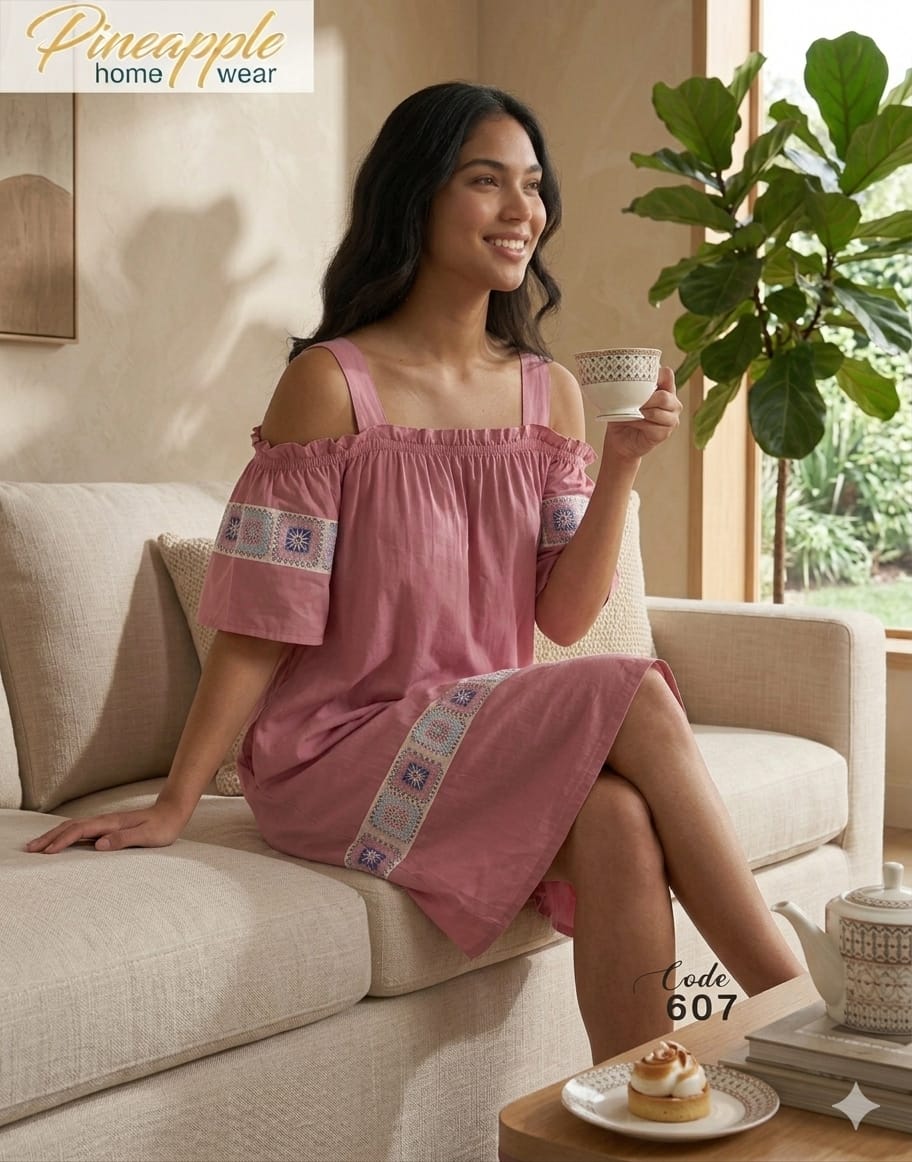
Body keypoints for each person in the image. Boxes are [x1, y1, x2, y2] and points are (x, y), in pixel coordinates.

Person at [25, 81, 802, 1063]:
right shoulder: (328, 386)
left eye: (533, 185)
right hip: (333, 754)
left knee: (615, 819)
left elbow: (564, 617)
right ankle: (802, 1012)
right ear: (416, 195)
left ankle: (640, 1104)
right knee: (639, 696)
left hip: (472, 734)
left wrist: (619, 468)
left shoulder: (549, 394)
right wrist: (177, 802)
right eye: (486, 181)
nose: (522, 210)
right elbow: (258, 626)